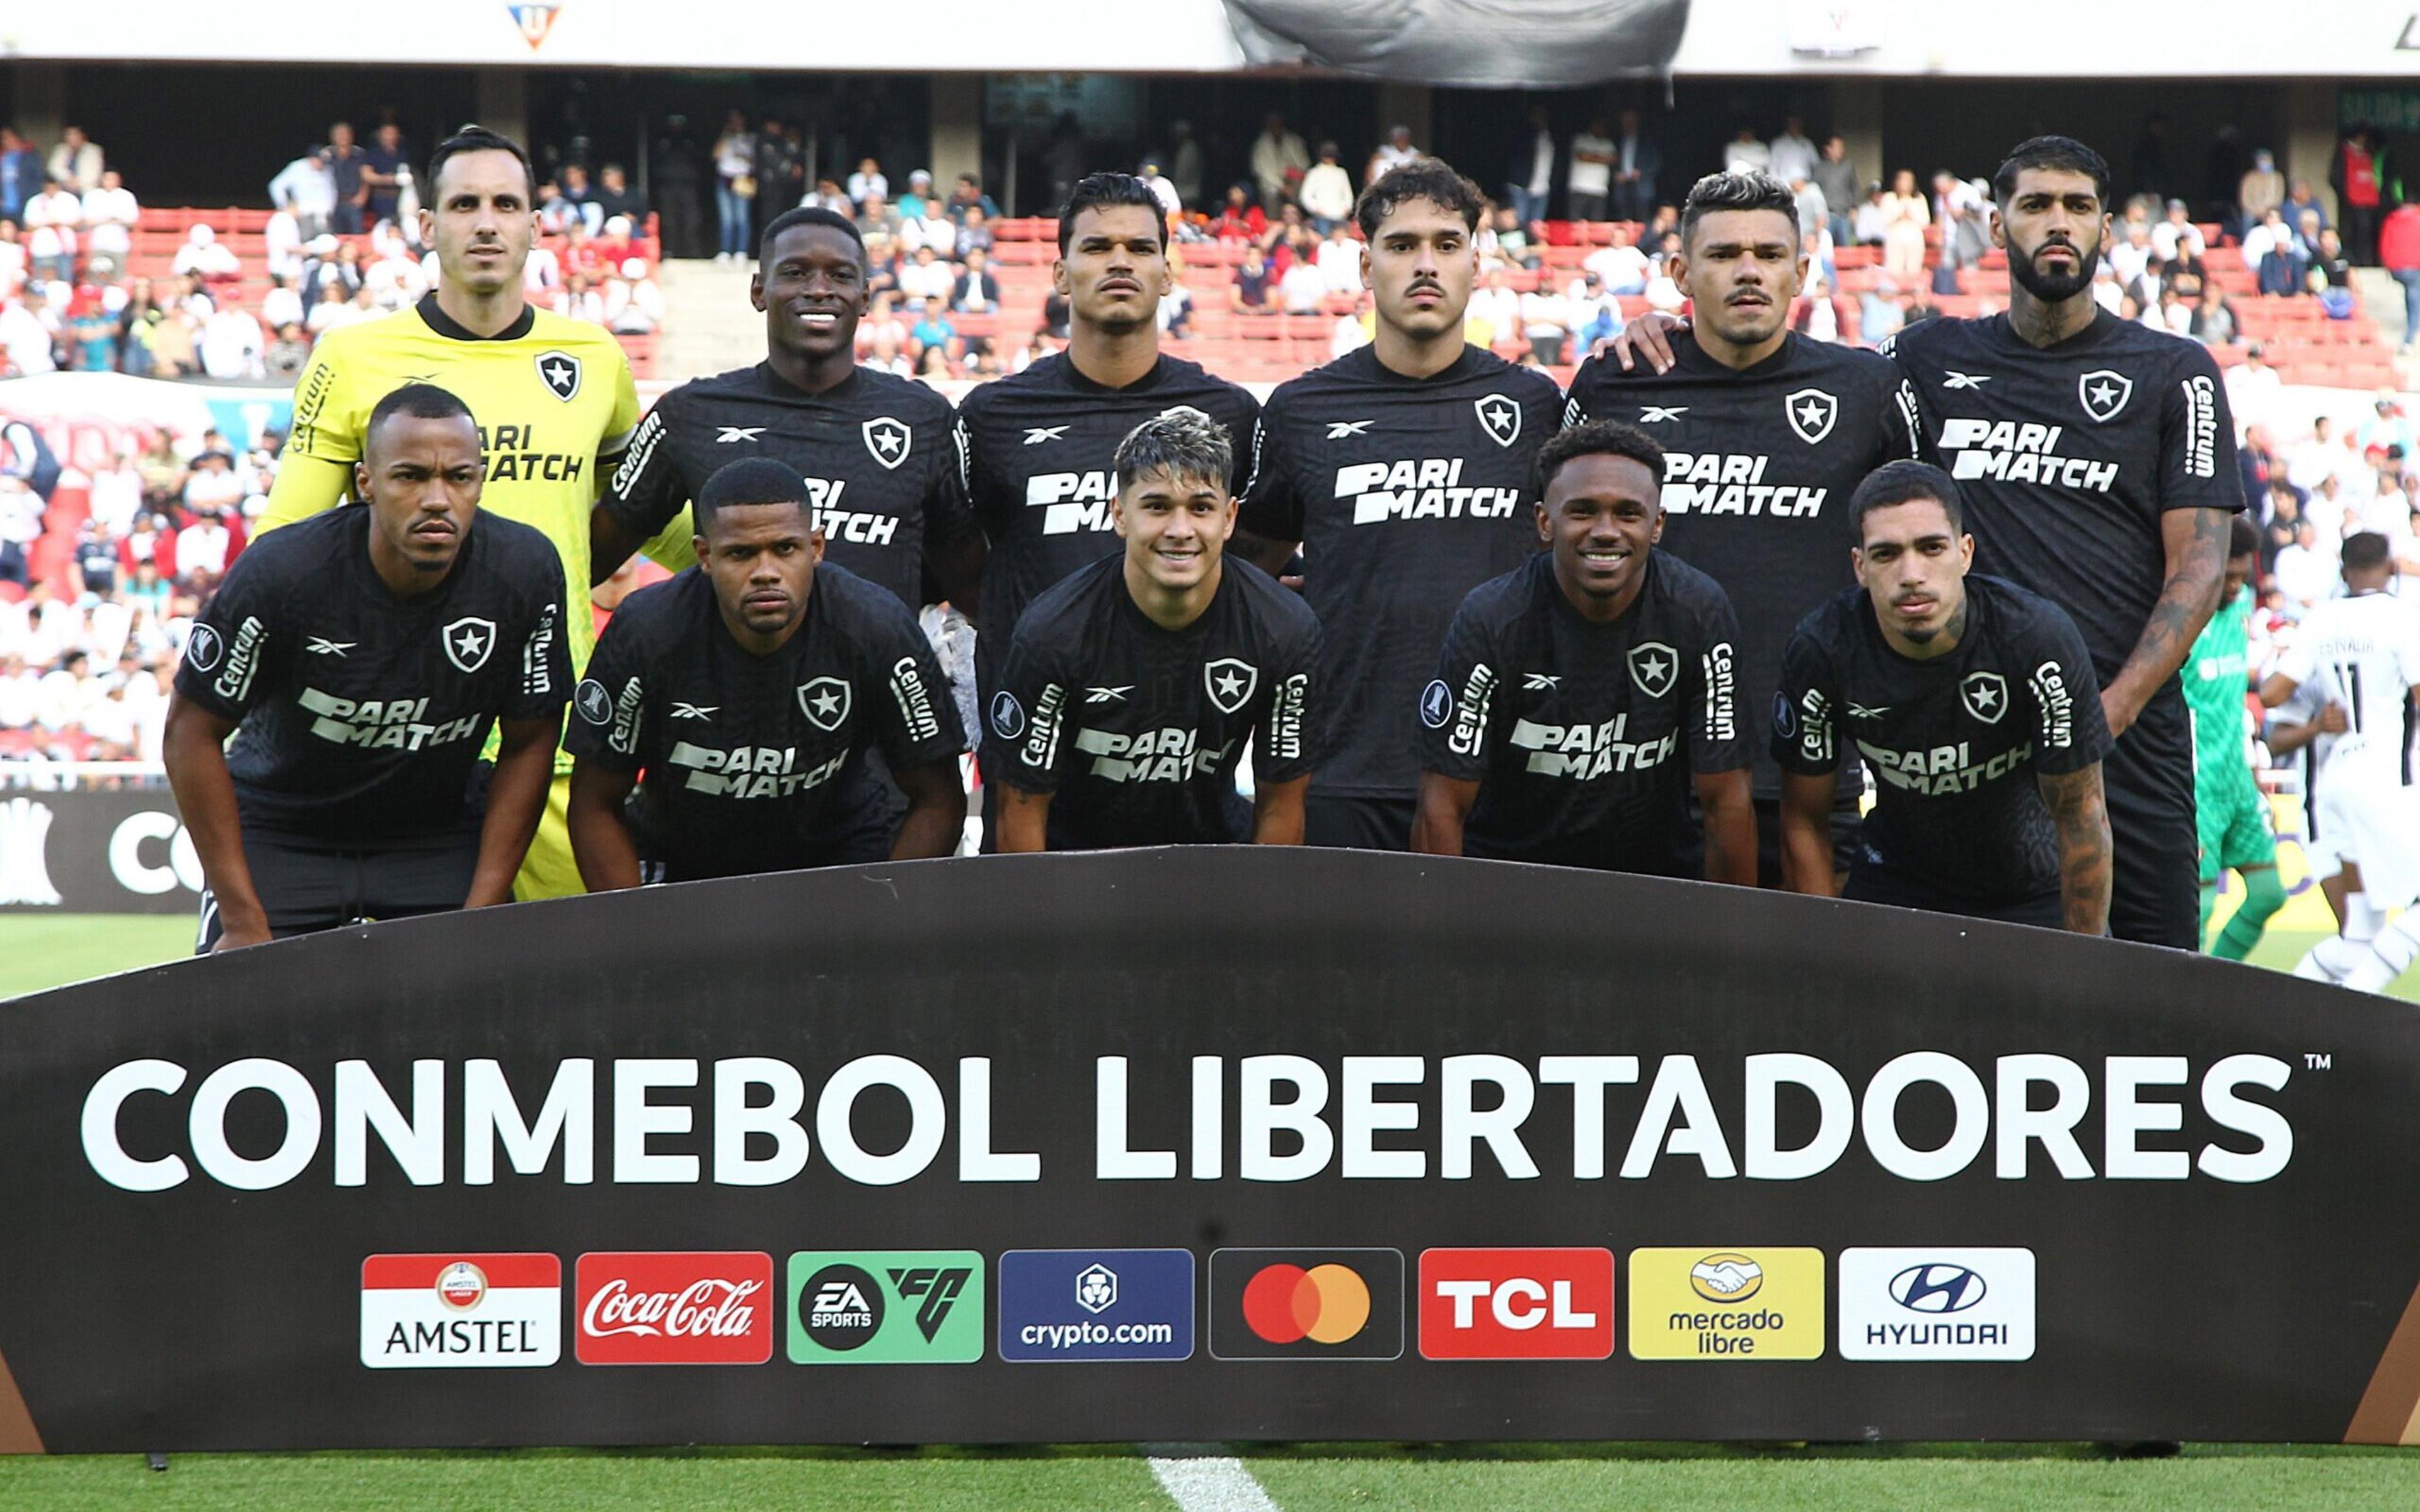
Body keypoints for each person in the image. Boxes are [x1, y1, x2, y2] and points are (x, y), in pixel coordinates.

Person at [1605, 136, 2242, 949]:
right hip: (1973, 737)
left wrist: (2103, 714)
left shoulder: (2176, 370)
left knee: (2155, 992)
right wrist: (1670, 330)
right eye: (2035, 205)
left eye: (2078, 207)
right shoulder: (1921, 359)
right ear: (1995, 224)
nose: (2058, 223)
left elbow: (2202, 565)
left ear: (2107, 228)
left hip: (2128, 734)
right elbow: (1781, 391)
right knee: (1960, 996)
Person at [258, 123, 650, 903]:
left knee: (575, 1000)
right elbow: (284, 547)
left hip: (553, 735)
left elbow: (645, 517)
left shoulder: (596, 358)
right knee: (406, 1005)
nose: (486, 222)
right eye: (464, 203)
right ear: (428, 226)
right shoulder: (353, 355)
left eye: (507, 204)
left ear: (536, 227)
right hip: (405, 737)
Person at [1564, 170, 1918, 886]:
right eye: (1724, 255)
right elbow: (1543, 554)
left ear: (1802, 272)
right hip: (1641, 777)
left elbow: (1929, 559)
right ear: (1680, 273)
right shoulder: (1615, 384)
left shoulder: (1868, 392)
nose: (1749, 271)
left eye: (1768, 253)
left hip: (1815, 781)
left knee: (1820, 991)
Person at [160, 383, 570, 952]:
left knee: (478, 1015)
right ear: (365, 484)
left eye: (459, 477)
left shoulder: (525, 570)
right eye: (410, 476)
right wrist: (241, 918)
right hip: (282, 830)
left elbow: (532, 738)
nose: (437, 499)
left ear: (480, 480)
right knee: (235, 1013)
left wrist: (482, 910)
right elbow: (190, 733)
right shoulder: (282, 572)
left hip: (436, 835)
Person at [1231, 158, 1563, 852]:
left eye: (1446, 245)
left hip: (1503, 773)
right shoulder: (1301, 409)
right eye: (1402, 245)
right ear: (1364, 264)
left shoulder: (1534, 406)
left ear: (1477, 262)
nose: (1425, 265)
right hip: (1343, 767)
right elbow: (1243, 575)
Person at [567, 457, 964, 885]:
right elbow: (594, 803)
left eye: (785, 549)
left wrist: (888, 907)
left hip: (838, 853)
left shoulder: (876, 626)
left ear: (816, 548)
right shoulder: (646, 632)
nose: (765, 573)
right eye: (741, 554)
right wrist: (635, 937)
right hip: (680, 861)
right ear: (704, 555)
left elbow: (939, 798)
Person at [951, 171, 1259, 721]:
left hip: (1180, 738)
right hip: (1035, 740)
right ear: (1061, 274)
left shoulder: (1228, 413)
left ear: (1167, 274)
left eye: (1140, 248)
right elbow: (964, 571)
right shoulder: (991, 416)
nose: (1120, 262)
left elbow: (1254, 558)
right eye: (1097, 247)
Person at [1775, 461, 2111, 931]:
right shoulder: (1822, 650)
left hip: (2034, 889)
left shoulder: (2037, 641)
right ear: (1860, 567)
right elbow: (1804, 821)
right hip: (1896, 883)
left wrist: (2085, 964)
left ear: (1965, 552)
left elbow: (2081, 817)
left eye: (1931, 548)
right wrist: (1825, 950)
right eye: (1887, 554)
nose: (1912, 573)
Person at [1412, 419, 1752, 879]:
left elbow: (1727, 802)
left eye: (1629, 514)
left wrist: (1728, 946)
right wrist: (1446, 941)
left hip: (1654, 885)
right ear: (1544, 521)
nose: (1606, 531)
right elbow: (1442, 808)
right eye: (1583, 511)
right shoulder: (1492, 619)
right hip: (1511, 883)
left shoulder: (1698, 610)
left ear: (1658, 525)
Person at [984, 408, 1319, 850]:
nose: (1180, 530)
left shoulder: (1284, 628)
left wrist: (1252, 916)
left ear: (1230, 518)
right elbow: (1021, 810)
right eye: (1157, 506)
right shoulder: (1053, 633)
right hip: (1076, 868)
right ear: (1120, 514)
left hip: (1211, 862)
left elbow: (1281, 804)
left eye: (1201, 508)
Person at [2259, 534, 2420, 994]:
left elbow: (2270, 693)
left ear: (2342, 569)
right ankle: (2358, 1003)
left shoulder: (2321, 619)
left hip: (2336, 780)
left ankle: (2292, 1014)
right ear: (2390, 567)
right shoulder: (2402, 618)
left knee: (2360, 934)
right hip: (2387, 780)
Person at [2187, 515, 2285, 959]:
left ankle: (2215, 985)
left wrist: (2253, 773)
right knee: (2199, 908)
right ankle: (2184, 1012)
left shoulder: (2242, 603)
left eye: (2241, 576)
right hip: (2195, 785)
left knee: (2269, 893)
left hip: (2237, 780)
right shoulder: (2179, 619)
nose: (2234, 586)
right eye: (2226, 577)